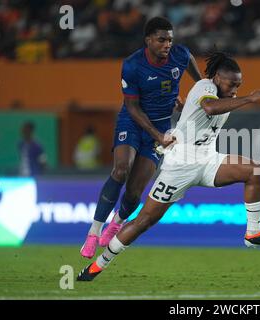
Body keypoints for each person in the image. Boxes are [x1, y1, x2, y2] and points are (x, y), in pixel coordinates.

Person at [77, 50, 260, 281]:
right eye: (232, 84)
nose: (235, 90)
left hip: (207, 159)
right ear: (216, 77)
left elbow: (204, 111)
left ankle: (253, 232)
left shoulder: (220, 94)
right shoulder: (206, 86)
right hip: (180, 165)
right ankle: (97, 266)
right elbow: (209, 108)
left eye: (239, 85)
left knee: (255, 169)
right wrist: (248, 98)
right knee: (144, 221)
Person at [80, 17, 202, 259]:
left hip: (161, 126)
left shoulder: (181, 55)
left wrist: (201, 88)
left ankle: (118, 222)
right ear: (148, 40)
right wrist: (158, 135)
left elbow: (194, 72)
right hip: (134, 122)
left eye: (170, 39)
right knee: (121, 170)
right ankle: (94, 232)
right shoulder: (132, 65)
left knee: (135, 191)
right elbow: (133, 108)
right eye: (162, 39)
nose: (167, 44)